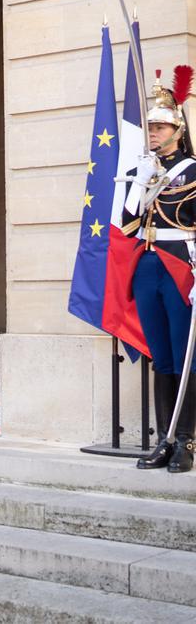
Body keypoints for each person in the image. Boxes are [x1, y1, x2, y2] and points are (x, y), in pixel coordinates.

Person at [123, 68, 196, 473]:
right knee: (161, 355)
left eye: (160, 127)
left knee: (187, 356)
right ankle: (164, 441)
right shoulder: (144, 168)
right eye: (150, 127)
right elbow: (128, 222)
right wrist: (141, 183)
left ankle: (186, 441)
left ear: (178, 131)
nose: (153, 133)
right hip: (147, 265)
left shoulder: (193, 170)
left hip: (181, 264)